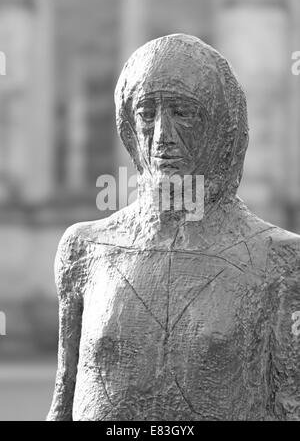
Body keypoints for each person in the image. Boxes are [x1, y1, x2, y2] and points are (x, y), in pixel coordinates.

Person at [47, 34, 300, 421]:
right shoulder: (84, 249)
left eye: (183, 112)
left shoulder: (280, 260)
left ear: (221, 128)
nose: (162, 136)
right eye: (147, 113)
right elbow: (64, 402)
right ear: (128, 125)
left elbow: (288, 407)